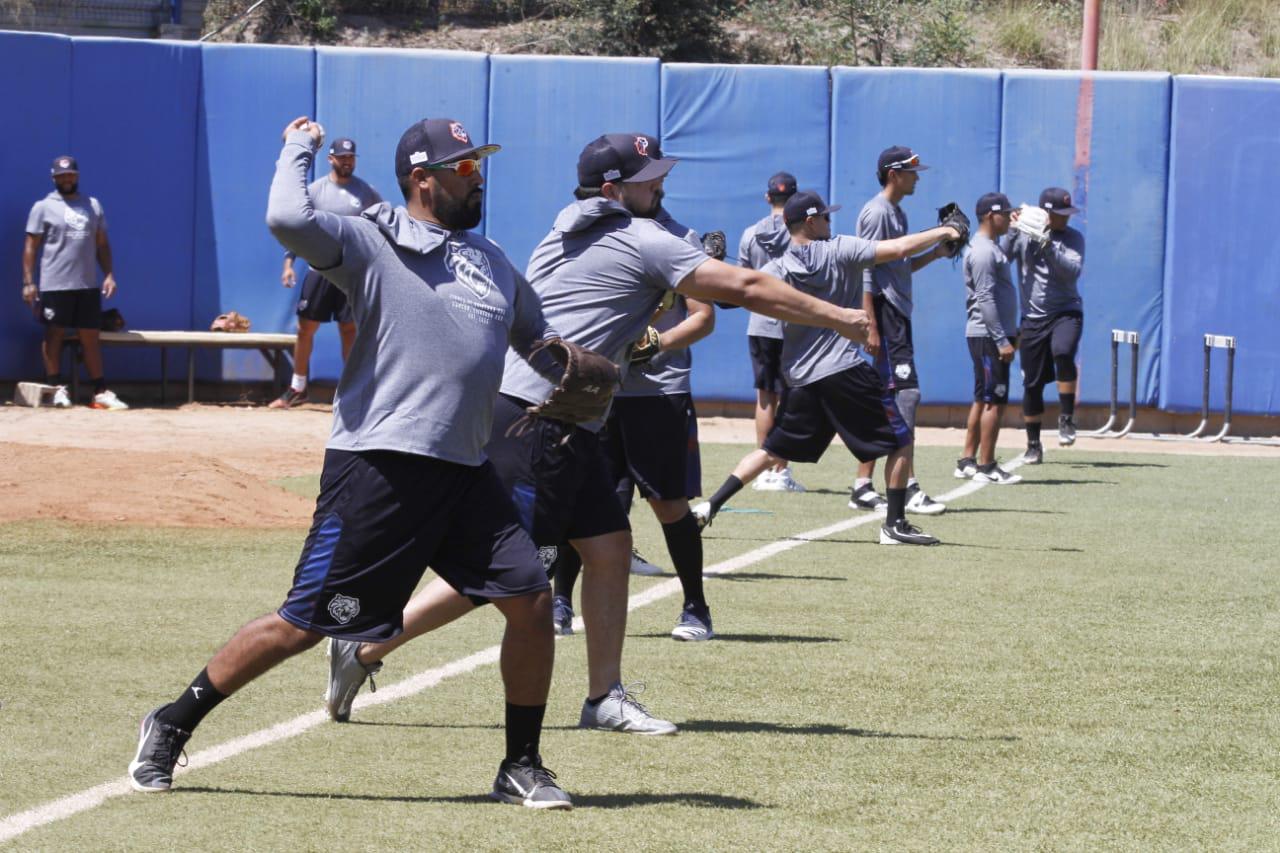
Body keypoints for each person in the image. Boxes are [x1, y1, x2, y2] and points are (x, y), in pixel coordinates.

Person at [321, 132, 871, 734]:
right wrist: (841, 316)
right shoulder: (638, 237)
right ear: (613, 190)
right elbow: (744, 288)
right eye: (648, 177)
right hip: (539, 417)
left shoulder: (566, 228)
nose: (660, 183)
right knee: (510, 570)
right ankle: (367, 646)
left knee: (609, 550)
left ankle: (603, 697)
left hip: (563, 416)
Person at [128, 116, 575, 809]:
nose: (476, 174)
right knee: (305, 623)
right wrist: (298, 147)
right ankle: (173, 717)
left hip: (465, 469)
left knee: (531, 596)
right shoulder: (372, 241)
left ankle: (520, 763)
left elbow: (539, 337)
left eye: (477, 163)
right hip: (380, 467)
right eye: (462, 166)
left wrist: (585, 366)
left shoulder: (491, 261)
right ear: (421, 178)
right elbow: (285, 214)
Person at [693, 190, 964, 546]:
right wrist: (944, 232)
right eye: (823, 216)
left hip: (802, 378)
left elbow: (732, 294)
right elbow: (898, 249)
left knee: (774, 450)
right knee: (900, 440)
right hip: (843, 371)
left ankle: (708, 506)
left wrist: (707, 262)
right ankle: (894, 524)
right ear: (810, 221)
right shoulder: (841, 249)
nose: (828, 220)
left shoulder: (777, 267)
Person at [553, 195, 718, 641]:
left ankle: (695, 609)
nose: (655, 187)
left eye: (657, 179)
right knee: (581, 501)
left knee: (668, 503)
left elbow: (703, 317)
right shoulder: (585, 236)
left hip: (658, 394)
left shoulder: (679, 237)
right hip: (599, 390)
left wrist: (655, 344)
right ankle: (560, 601)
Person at [851, 146, 948, 516]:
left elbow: (898, 268)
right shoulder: (877, 212)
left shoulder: (897, 212)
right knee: (906, 397)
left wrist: (937, 254)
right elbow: (864, 267)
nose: (917, 177)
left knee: (886, 399)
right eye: (911, 171)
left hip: (895, 313)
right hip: (885, 315)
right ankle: (906, 485)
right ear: (893, 174)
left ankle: (863, 485)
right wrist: (870, 322)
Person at [271, 137, 383, 408]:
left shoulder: (366, 193)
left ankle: (352, 394)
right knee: (305, 328)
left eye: (351, 157)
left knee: (349, 329)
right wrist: (289, 263)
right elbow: (298, 229)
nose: (347, 161)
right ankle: (298, 388)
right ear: (330, 159)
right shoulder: (315, 191)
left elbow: (378, 228)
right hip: (318, 269)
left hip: (350, 271)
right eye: (342, 157)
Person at [22, 155, 127, 410]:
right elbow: (30, 247)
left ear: (77, 176)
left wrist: (109, 274)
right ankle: (56, 387)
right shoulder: (43, 207)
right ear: (53, 178)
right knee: (54, 333)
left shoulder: (92, 205)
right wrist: (28, 282)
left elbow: (101, 243)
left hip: (87, 285)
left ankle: (99, 391)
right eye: (61, 175)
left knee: (90, 336)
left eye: (70, 175)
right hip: (54, 284)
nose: (66, 179)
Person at [1003, 187, 1086, 463]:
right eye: (1059, 214)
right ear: (1045, 214)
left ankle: (1066, 418)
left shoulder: (1073, 238)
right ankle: (1033, 443)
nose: (1065, 219)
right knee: (1032, 383)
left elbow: (1072, 271)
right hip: (1033, 318)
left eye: (1067, 213)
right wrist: (1014, 230)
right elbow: (1003, 259)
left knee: (1062, 351)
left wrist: (1048, 245)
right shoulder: (1026, 234)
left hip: (1066, 311)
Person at [738, 171, 805, 493]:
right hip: (792, 324)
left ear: (768, 198)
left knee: (765, 398)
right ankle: (780, 471)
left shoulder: (750, 234)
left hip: (760, 324)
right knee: (790, 397)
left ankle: (764, 470)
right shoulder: (799, 231)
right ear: (794, 198)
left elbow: (742, 281)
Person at [956, 192, 1022, 485]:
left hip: (989, 335)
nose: (1009, 218)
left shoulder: (990, 247)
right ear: (988, 216)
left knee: (982, 398)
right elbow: (984, 297)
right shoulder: (983, 251)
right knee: (994, 400)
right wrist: (1001, 340)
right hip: (988, 336)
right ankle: (986, 465)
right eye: (1005, 214)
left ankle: (968, 460)